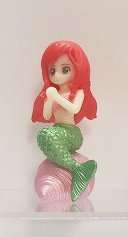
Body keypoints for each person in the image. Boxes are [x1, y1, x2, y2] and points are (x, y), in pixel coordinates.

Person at [31, 41, 98, 200]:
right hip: (58, 130)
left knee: (47, 135)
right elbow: (47, 116)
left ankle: (77, 169)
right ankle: (78, 168)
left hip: (71, 133)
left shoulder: (79, 93)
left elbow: (74, 109)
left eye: (65, 70)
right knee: (45, 135)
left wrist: (56, 97)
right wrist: (49, 100)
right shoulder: (53, 93)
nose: (57, 75)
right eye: (52, 71)